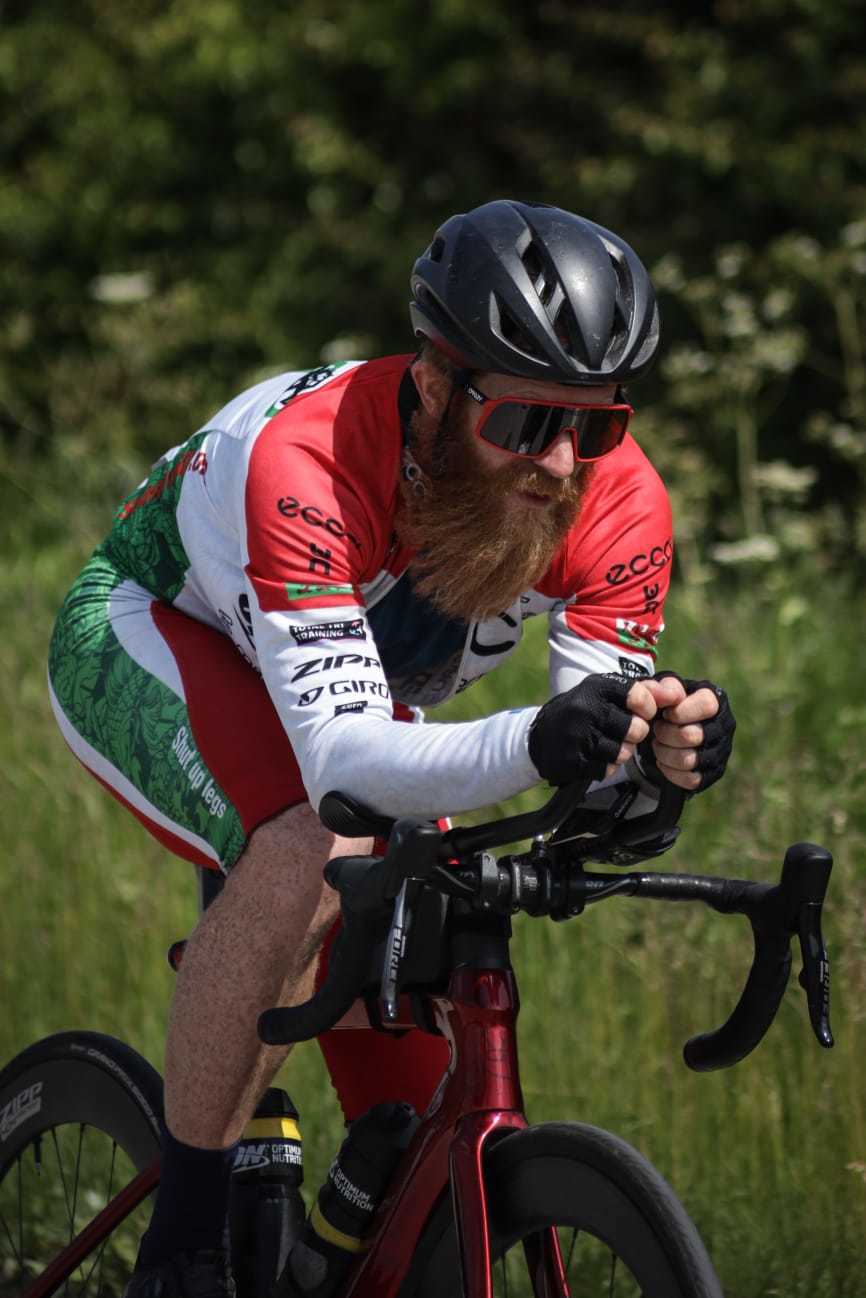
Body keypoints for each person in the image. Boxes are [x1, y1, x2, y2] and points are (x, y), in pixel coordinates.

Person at [48, 199, 735, 1296]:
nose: (560, 464)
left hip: (348, 687)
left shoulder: (617, 499)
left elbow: (583, 749)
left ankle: (346, 1228)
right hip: (157, 627)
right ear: (430, 385)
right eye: (522, 422)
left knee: (414, 1069)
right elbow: (345, 766)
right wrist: (539, 740)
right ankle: (178, 1247)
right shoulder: (306, 456)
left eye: (595, 425)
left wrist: (657, 759)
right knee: (310, 847)